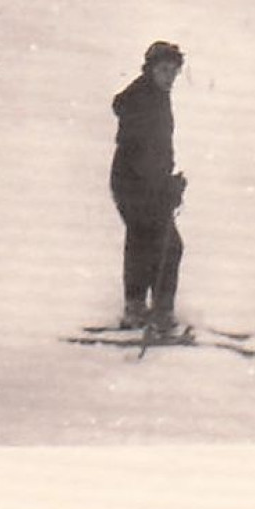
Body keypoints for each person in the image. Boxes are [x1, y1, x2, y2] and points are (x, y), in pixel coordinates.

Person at [110, 41, 188, 333]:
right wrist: (164, 185)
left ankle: (139, 309)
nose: (170, 76)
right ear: (151, 69)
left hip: (139, 183)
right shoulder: (143, 100)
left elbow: (159, 149)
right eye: (164, 70)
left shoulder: (153, 94)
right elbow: (139, 150)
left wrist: (168, 181)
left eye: (174, 71)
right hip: (135, 184)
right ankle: (155, 313)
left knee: (147, 243)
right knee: (165, 245)